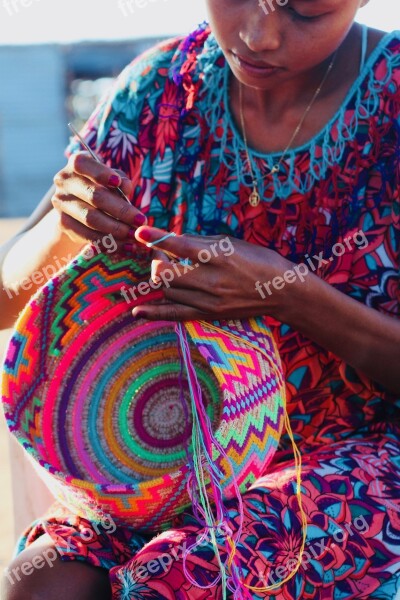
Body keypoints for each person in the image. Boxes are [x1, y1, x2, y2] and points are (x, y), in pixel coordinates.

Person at [1, 0, 400, 598]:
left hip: (364, 451)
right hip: (161, 454)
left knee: (183, 578)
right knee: (41, 585)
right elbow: (10, 301)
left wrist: (293, 295)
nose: (260, 35)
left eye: (308, 11)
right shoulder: (157, 92)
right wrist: (66, 223)